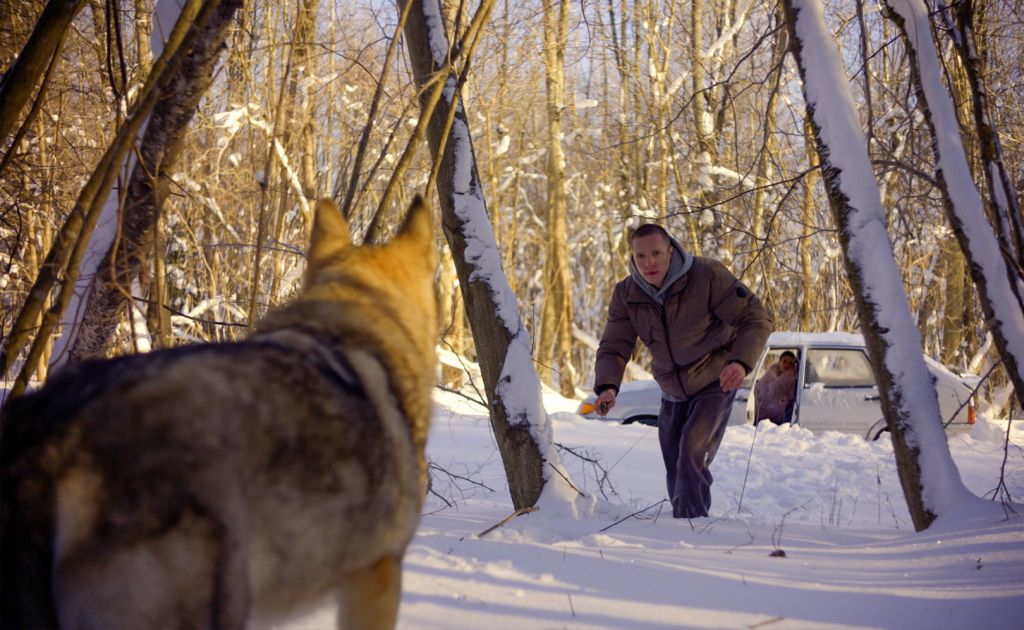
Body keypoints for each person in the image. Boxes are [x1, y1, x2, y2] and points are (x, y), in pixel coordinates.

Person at [593, 224, 772, 518]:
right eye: (641, 256)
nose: (649, 263)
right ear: (633, 257)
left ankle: (693, 527)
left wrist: (739, 362)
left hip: (716, 380)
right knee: (675, 463)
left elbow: (755, 317)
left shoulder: (706, 276)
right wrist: (608, 387)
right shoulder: (628, 294)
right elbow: (614, 345)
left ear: (671, 251)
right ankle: (683, 522)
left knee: (691, 451)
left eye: (656, 253)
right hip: (672, 389)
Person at [753, 351, 798, 425]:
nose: (787, 364)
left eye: (790, 363)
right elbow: (759, 390)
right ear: (779, 362)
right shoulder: (770, 373)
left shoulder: (792, 379)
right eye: (785, 361)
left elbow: (790, 398)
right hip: (761, 412)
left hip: (780, 417)